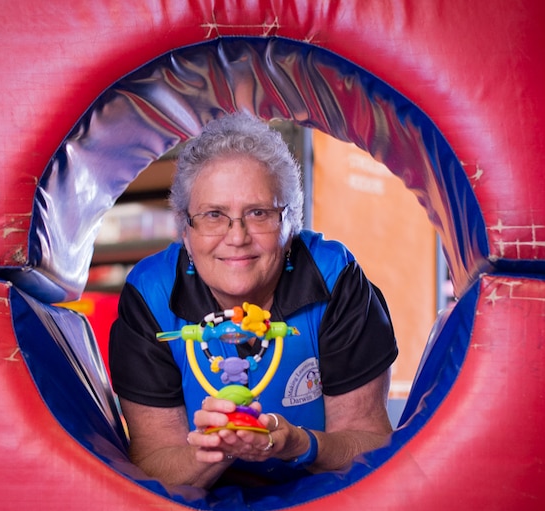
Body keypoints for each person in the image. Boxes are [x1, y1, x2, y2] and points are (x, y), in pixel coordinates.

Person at [109, 111, 397, 490]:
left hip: (321, 501)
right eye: (214, 215)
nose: (237, 236)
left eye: (259, 213)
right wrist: (216, 448)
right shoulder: (150, 296)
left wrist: (300, 444)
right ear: (185, 229)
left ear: (291, 223)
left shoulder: (336, 279)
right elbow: (153, 462)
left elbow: (369, 442)